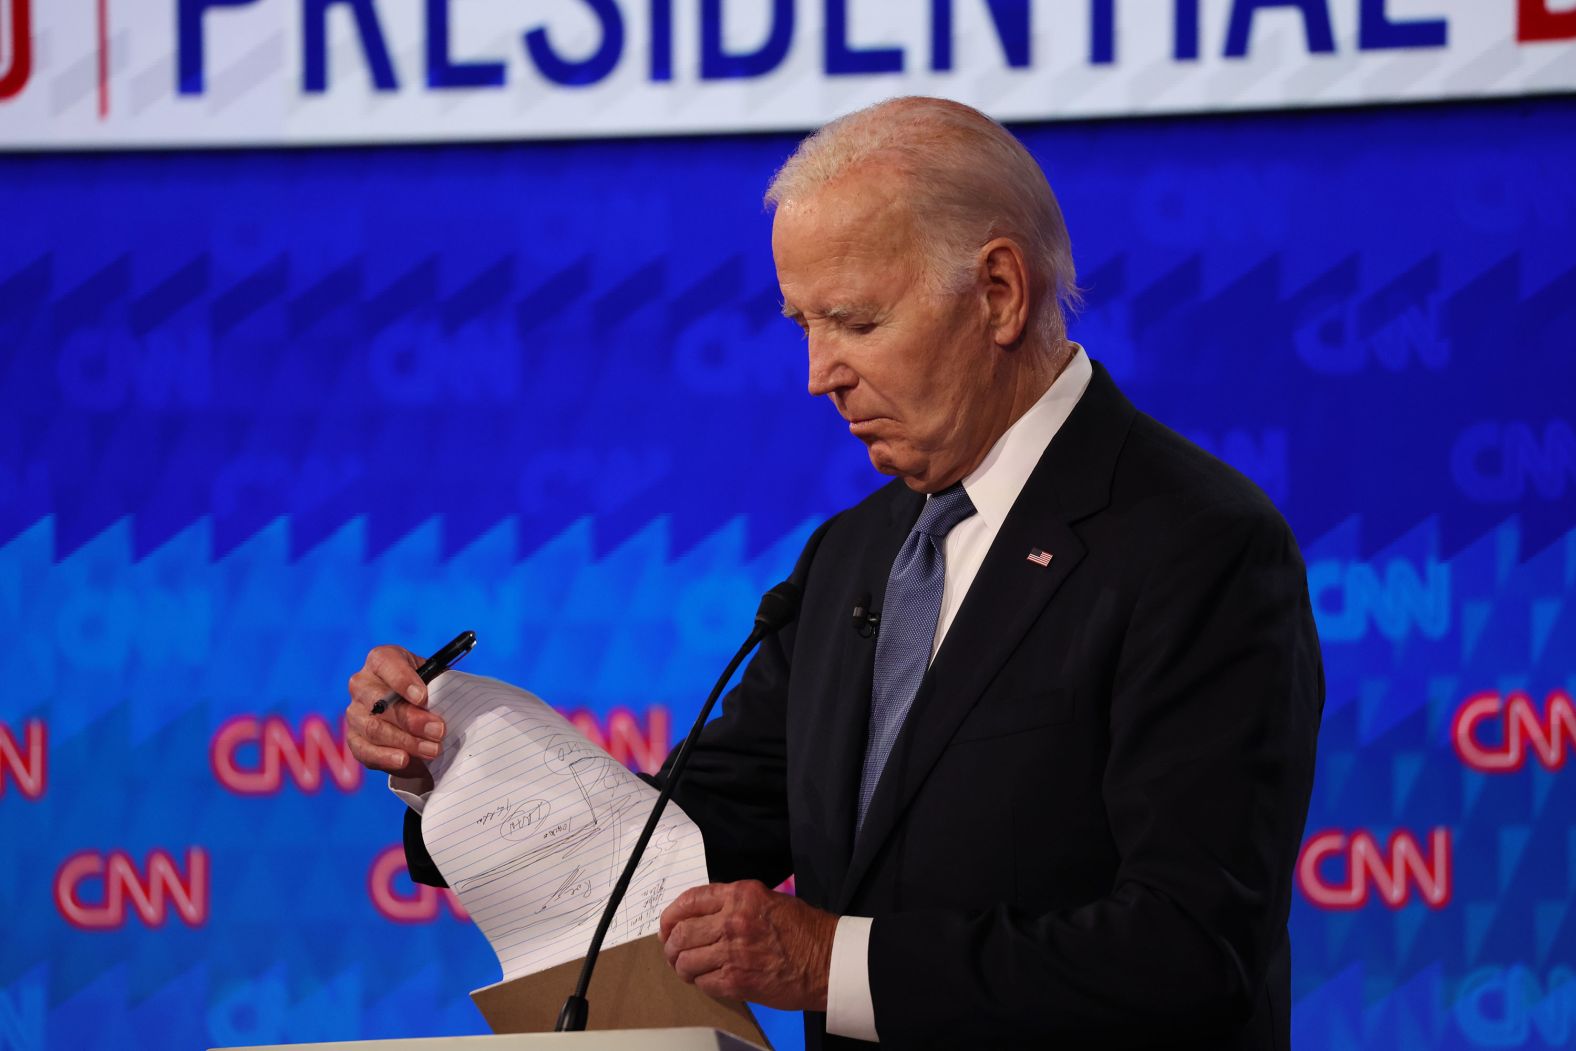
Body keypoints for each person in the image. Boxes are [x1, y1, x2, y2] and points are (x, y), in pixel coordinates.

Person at [345, 97, 1323, 1050]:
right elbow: (687, 833)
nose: (818, 372)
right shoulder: (857, 550)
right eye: (802, 324)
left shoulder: (1197, 542)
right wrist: (457, 769)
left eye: (853, 321)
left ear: (998, 294)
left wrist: (828, 967)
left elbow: (1188, 952)